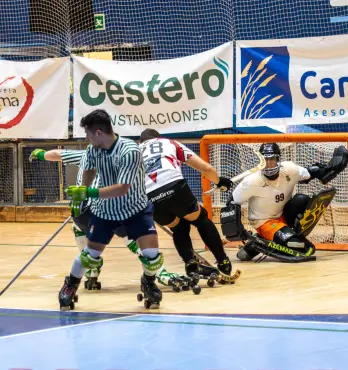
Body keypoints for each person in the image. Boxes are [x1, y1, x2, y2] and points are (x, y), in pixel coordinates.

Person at [29, 146, 193, 291]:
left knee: (80, 229)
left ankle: (92, 269)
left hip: (88, 210)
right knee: (133, 236)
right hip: (117, 207)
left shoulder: (86, 154)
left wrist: (42, 154)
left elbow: (57, 154)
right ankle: (161, 273)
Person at [60, 109, 166, 310]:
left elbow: (122, 188)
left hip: (136, 209)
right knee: (89, 255)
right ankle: (70, 285)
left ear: (98, 132)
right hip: (105, 212)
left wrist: (89, 194)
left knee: (152, 255)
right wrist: (83, 190)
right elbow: (90, 169)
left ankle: (149, 283)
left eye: (88, 134)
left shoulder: (129, 151)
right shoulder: (93, 150)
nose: (87, 138)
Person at [223, 142, 348, 262]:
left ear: (278, 159)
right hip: (264, 222)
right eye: (265, 160)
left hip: (283, 214)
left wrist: (333, 167)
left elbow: (313, 172)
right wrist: (240, 232)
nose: (268, 163)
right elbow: (232, 203)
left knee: (302, 200)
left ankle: (262, 240)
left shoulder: (289, 169)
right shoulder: (251, 181)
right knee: (306, 249)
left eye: (272, 159)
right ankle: (260, 241)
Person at [138, 128, 236, 281]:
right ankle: (223, 261)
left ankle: (190, 264)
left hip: (148, 196)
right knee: (201, 219)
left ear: (141, 142)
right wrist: (219, 181)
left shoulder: (134, 152)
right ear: (158, 137)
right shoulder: (168, 142)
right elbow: (206, 168)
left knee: (179, 226)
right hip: (173, 185)